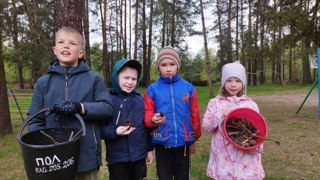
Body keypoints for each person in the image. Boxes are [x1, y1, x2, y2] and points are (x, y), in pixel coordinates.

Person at [27, 27, 114, 180]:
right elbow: (34, 119)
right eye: (61, 42)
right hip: (54, 157)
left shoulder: (93, 78)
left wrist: (80, 107)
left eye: (72, 43)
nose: (66, 46)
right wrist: (45, 144)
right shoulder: (43, 82)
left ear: (81, 53)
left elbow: (107, 108)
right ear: (55, 49)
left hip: (86, 155)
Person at [144, 46, 201, 180]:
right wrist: (153, 120)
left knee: (183, 176)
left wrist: (194, 138)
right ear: (158, 67)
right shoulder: (152, 90)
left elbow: (195, 114)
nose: (168, 68)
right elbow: (147, 115)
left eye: (172, 64)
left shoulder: (188, 88)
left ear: (178, 66)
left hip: (183, 142)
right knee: (164, 176)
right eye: (163, 65)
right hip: (162, 142)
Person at [202, 61, 265, 179]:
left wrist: (256, 146)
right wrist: (220, 114)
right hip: (224, 158)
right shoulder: (215, 103)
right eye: (229, 80)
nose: (233, 85)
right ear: (223, 82)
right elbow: (206, 126)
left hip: (246, 160)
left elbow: (259, 130)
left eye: (238, 81)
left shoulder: (250, 105)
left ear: (243, 83)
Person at [101, 58, 154, 180]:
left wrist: (149, 149)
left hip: (139, 156)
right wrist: (115, 131)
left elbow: (147, 127)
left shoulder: (141, 101)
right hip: (117, 158)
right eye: (126, 78)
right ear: (116, 77)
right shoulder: (108, 101)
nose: (130, 82)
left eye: (134, 79)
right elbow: (101, 129)